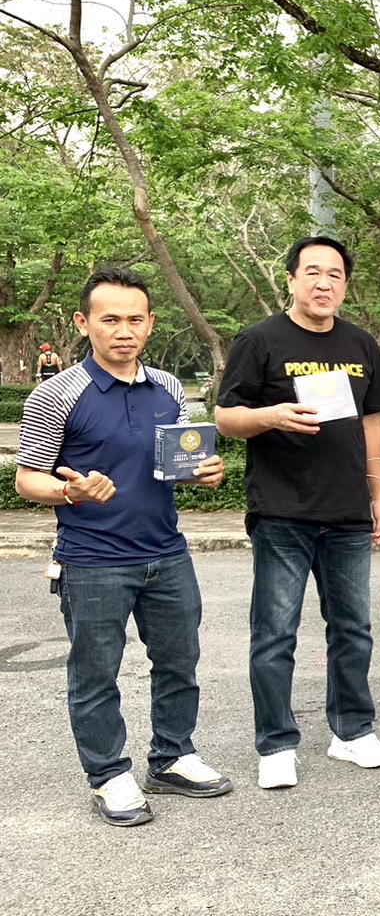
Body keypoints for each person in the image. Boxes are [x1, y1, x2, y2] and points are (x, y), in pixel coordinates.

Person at [15, 270, 232, 826]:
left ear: (151, 323)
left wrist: (202, 474)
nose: (123, 330)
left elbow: (175, 463)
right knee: (95, 674)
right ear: (83, 323)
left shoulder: (169, 388)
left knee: (179, 662)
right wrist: (70, 491)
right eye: (109, 319)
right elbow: (26, 480)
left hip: (167, 553)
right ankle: (109, 775)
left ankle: (172, 757)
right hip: (92, 560)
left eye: (135, 319)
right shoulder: (57, 392)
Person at [217, 235, 380, 790]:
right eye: (313, 272)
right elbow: (226, 418)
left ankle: (353, 731)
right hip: (282, 510)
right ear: (292, 279)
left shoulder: (361, 343)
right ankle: (276, 743)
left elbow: (372, 423)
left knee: (353, 629)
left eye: (335, 274)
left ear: (345, 285)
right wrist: (271, 415)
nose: (324, 283)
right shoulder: (259, 340)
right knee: (275, 633)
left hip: (347, 511)